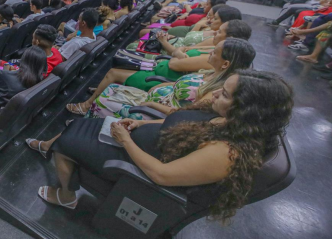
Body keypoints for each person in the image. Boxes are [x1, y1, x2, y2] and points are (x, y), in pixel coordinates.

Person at [30, 70, 293, 220]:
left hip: (137, 165)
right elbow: (184, 127)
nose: (214, 93)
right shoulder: (229, 121)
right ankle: (60, 158)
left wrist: (126, 140)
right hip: (142, 144)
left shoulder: (227, 153)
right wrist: (141, 125)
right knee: (77, 126)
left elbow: (161, 175)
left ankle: (66, 196)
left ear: (247, 110)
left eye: (224, 94)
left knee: (67, 140)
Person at [66, 19, 253, 115]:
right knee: (117, 68)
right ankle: (100, 91)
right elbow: (185, 51)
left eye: (219, 31)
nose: (214, 31)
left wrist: (175, 52)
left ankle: (87, 105)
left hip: (157, 77)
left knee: (114, 72)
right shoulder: (215, 67)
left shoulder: (217, 83)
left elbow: (175, 63)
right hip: (161, 79)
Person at [86, 38, 256, 119]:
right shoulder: (211, 72)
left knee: (104, 98)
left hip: (154, 114)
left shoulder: (217, 90)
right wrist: (164, 86)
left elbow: (186, 115)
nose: (209, 53)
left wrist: (153, 103)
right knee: (110, 90)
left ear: (225, 64)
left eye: (214, 52)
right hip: (154, 99)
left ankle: (90, 125)